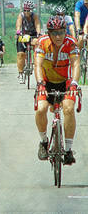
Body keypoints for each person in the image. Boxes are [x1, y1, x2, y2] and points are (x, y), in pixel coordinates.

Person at [34, 16, 80, 165]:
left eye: (61, 32)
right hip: (46, 82)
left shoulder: (71, 43)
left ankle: (68, 150)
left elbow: (75, 65)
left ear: (65, 31)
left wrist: (74, 83)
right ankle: (44, 142)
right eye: (54, 33)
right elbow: (38, 65)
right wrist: (40, 84)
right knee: (41, 110)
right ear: (49, 33)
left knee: (68, 109)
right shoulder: (42, 43)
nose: (58, 36)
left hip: (66, 83)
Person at [15, 0, 41, 83]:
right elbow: (18, 25)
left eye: (28, 10)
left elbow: (37, 25)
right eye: (25, 10)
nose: (26, 12)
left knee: (37, 44)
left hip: (32, 35)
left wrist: (39, 33)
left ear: (32, 10)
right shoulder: (21, 16)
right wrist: (18, 32)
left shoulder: (34, 16)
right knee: (20, 54)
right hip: (23, 35)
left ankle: (36, 61)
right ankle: (21, 73)